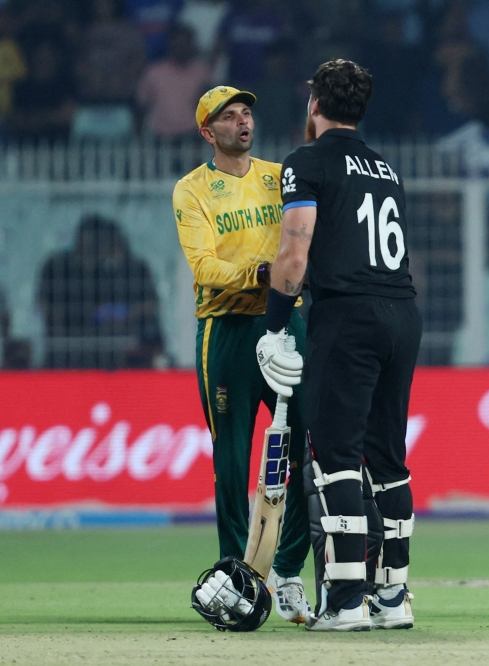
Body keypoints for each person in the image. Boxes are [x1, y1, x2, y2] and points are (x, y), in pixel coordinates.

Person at [256, 59, 421, 632]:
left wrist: (276, 326)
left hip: (346, 317)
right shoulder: (385, 167)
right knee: (389, 459)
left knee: (336, 455)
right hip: (402, 312)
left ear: (314, 104)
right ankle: (393, 597)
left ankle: (347, 600)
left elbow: (294, 256)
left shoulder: (306, 163)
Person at [172, 85, 311, 625]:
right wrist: (260, 274)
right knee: (231, 460)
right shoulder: (192, 190)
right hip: (226, 330)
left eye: (246, 112)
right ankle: (236, 574)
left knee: (303, 450)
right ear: (208, 132)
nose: (242, 122)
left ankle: (290, 575)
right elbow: (203, 266)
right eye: (228, 117)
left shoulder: (280, 177)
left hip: (284, 322)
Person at [37, 215, 164, 369]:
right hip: (66, 356)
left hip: (120, 360)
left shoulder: (130, 270)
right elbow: (44, 306)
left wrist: (122, 313)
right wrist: (83, 317)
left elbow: (149, 306)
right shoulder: (57, 268)